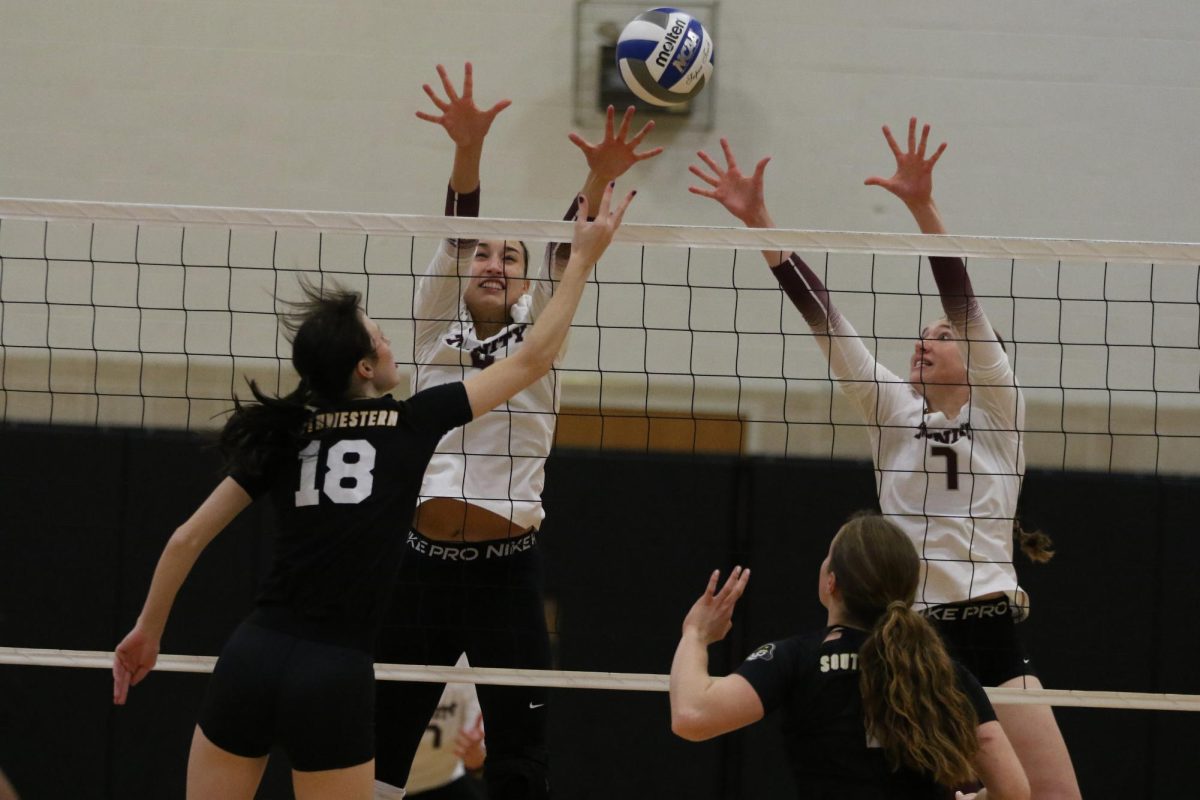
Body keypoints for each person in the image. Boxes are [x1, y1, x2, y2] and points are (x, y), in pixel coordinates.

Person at [110, 180, 634, 800]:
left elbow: (185, 537)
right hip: (335, 671)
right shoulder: (410, 426)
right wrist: (585, 266)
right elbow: (531, 362)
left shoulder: (283, 433)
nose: (391, 342)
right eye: (379, 338)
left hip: (251, 655)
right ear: (363, 367)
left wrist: (146, 632)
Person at [686, 118, 1080, 798]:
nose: (926, 342)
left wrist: (923, 208)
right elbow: (826, 321)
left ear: (976, 357)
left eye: (942, 336)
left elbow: (965, 299)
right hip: (912, 636)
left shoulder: (999, 413)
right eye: (921, 335)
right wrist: (760, 225)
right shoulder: (893, 412)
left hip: (991, 633)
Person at [374, 63, 661, 800]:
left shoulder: (542, 330)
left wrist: (595, 177)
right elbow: (459, 222)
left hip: (510, 570)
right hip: (422, 568)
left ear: (529, 283)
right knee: (382, 745)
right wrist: (467, 151)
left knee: (520, 756)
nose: (494, 262)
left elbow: (572, 249)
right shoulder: (434, 324)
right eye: (485, 254)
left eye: (511, 257)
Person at [669, 512, 1029, 799]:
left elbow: (692, 716)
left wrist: (696, 634)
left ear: (832, 583)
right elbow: (1013, 791)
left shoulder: (797, 657)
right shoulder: (942, 672)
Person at [375, 654, 487, 800]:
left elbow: (478, 758)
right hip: (382, 783)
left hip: (443, 780)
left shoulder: (466, 665)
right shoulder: (384, 657)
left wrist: (476, 757)